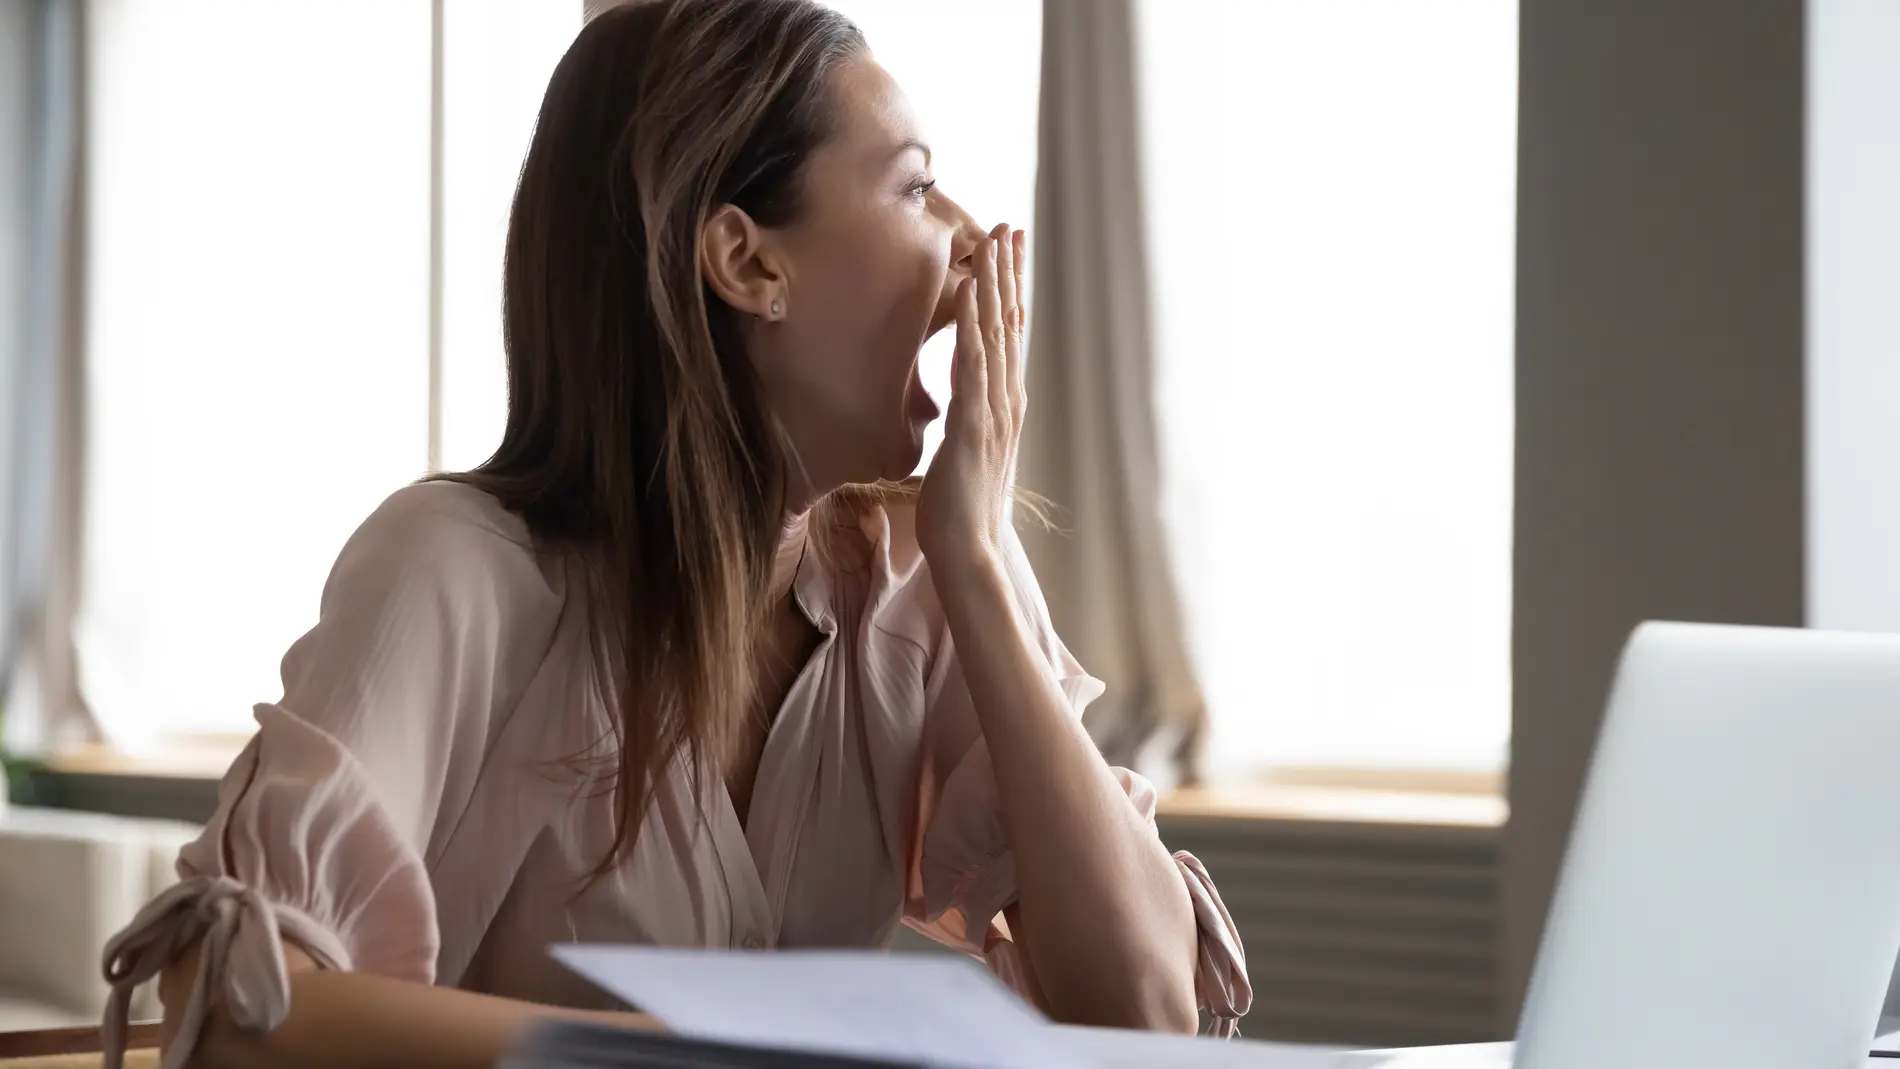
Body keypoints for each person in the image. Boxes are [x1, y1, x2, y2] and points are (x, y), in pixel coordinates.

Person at [98, 2, 1251, 1066]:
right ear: (748, 263)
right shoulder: (453, 568)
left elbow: (1142, 1015)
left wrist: (982, 561)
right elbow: (230, 997)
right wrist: (677, 1049)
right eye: (915, 189)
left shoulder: (932, 584)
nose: (970, 242)